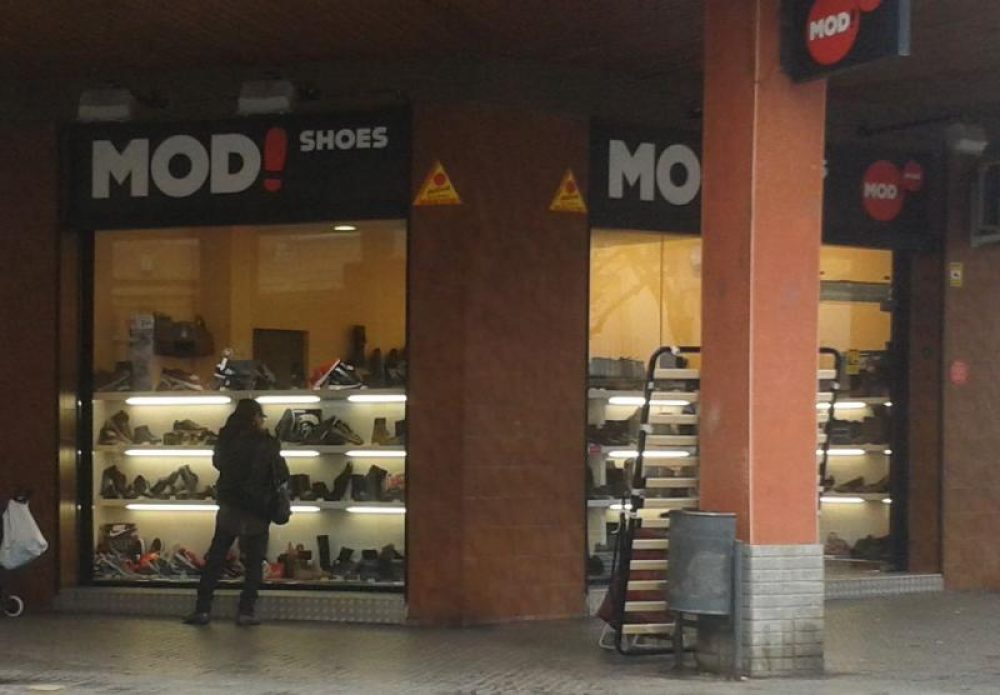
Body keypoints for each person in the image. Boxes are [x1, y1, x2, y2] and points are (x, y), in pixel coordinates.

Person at [184, 398, 288, 626]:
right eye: (261, 417)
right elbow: (281, 473)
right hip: (258, 508)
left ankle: (203, 609)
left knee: (216, 557)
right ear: (256, 418)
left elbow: (218, 463)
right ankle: (246, 611)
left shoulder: (226, 439)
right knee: (254, 562)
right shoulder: (266, 442)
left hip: (230, 506)